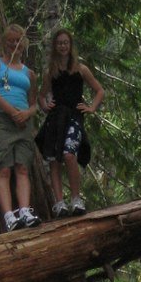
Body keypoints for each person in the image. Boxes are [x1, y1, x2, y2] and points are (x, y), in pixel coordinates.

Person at [37, 28, 104, 217]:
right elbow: (41, 96)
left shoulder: (81, 69)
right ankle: (59, 203)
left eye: (66, 42)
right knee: (53, 158)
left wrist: (91, 107)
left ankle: (76, 198)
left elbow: (100, 90)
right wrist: (45, 105)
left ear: (70, 45)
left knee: (68, 154)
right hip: (55, 118)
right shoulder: (51, 71)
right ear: (55, 46)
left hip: (74, 117)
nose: (63, 46)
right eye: (59, 43)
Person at [0, 23, 41, 231]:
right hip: (1, 120)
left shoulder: (29, 73)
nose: (15, 44)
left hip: (23, 124)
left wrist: (26, 113)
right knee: (3, 169)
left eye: (18, 41)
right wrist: (11, 111)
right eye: (10, 41)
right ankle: (9, 216)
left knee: (23, 168)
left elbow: (34, 103)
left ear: (24, 43)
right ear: (4, 42)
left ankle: (25, 211)